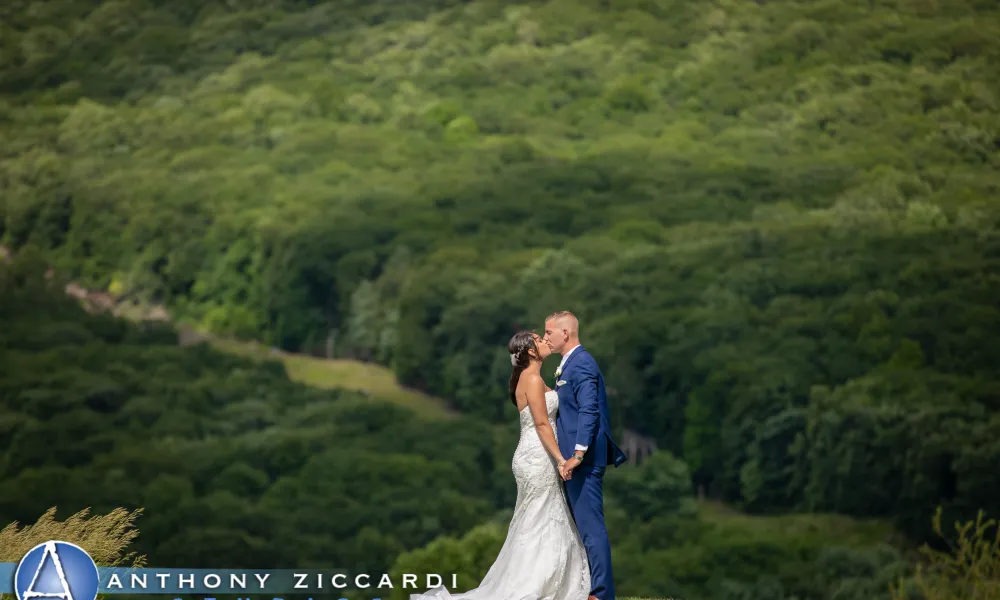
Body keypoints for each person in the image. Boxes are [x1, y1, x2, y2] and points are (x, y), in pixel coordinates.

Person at [410, 330, 591, 600]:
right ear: (530, 350)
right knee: (539, 518)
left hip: (534, 454)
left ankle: (548, 580)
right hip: (538, 455)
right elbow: (542, 424)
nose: (544, 340)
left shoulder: (530, 378)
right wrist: (561, 459)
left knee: (538, 517)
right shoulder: (530, 378)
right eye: (539, 339)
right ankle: (535, 584)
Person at [543, 311, 627, 600]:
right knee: (582, 528)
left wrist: (578, 455)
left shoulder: (582, 365)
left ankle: (602, 594)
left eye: (549, 333)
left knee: (591, 528)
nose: (546, 338)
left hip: (583, 461)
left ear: (565, 333)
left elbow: (589, 411)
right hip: (572, 461)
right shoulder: (568, 366)